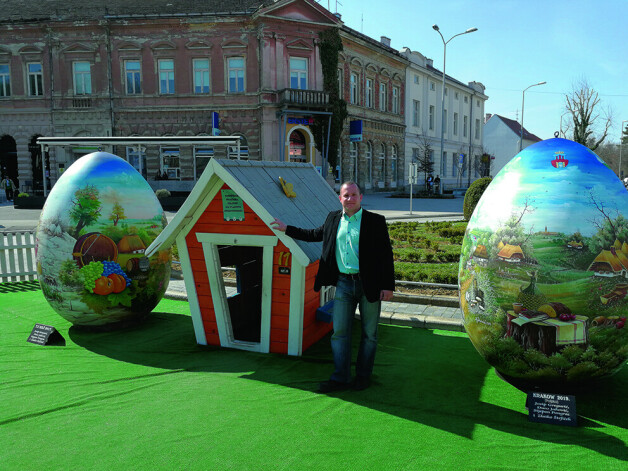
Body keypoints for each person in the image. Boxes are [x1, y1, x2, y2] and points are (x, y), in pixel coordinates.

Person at [271, 181, 394, 393]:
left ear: (361, 197)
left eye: (354, 195)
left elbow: (386, 256)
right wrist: (286, 228)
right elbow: (313, 234)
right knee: (340, 333)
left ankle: (363, 377)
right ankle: (340, 378)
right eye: (346, 195)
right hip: (344, 284)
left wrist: (388, 286)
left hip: (369, 285)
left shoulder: (375, 221)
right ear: (340, 198)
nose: (350, 199)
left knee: (369, 334)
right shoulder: (333, 218)